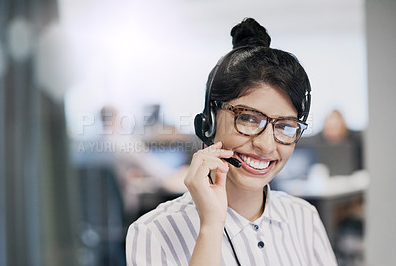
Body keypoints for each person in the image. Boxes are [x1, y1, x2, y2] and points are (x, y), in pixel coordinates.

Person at [126, 18, 337, 265]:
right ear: (209, 122)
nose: (267, 146)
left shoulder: (303, 216)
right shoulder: (155, 231)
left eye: (285, 126)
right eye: (248, 118)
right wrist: (211, 226)